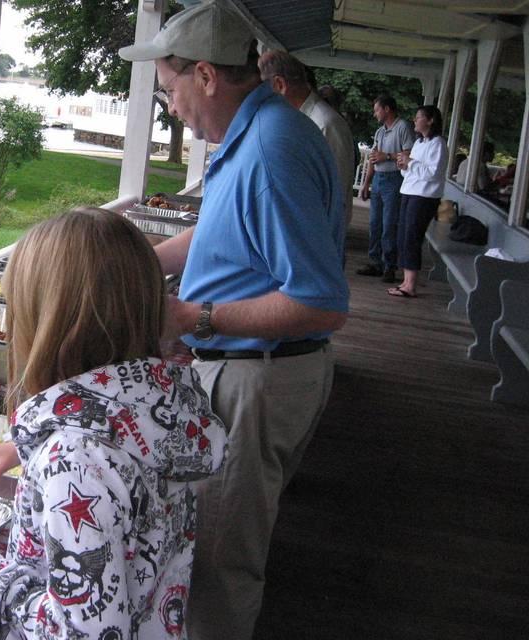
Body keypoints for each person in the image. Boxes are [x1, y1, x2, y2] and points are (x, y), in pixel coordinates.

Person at [118, 3, 349, 638]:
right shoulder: (255, 132)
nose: (169, 106)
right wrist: (126, 261)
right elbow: (217, 233)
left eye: (169, 89)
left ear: (206, 76)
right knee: (210, 546)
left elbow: (322, 302)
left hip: (258, 376)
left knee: (218, 563)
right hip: (246, 370)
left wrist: (194, 316)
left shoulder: (273, 151)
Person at [0, 208, 228, 638]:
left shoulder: (73, 462)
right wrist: (30, 444)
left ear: (44, 324)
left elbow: (81, 632)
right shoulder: (161, 410)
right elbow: (117, 445)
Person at [259, 51, 356, 229]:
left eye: (263, 91)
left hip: (317, 234)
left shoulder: (325, 124)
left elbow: (335, 193)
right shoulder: (299, 118)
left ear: (280, 85)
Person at [389, 105, 448, 298]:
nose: (415, 120)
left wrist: (410, 163)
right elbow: (410, 171)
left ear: (430, 120)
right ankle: (406, 281)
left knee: (413, 237)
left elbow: (432, 173)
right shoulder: (419, 143)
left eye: (418, 117)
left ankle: (411, 285)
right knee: (404, 236)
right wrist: (403, 165)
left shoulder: (438, 144)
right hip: (409, 191)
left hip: (424, 197)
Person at [357, 94, 415, 283]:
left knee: (389, 225)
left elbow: (410, 153)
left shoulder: (403, 127)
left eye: (377, 110)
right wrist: (366, 183)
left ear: (387, 109)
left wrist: (388, 157)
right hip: (379, 180)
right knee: (375, 224)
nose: (375, 114)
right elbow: (374, 157)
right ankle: (375, 263)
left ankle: (389, 265)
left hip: (394, 179)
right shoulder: (380, 132)